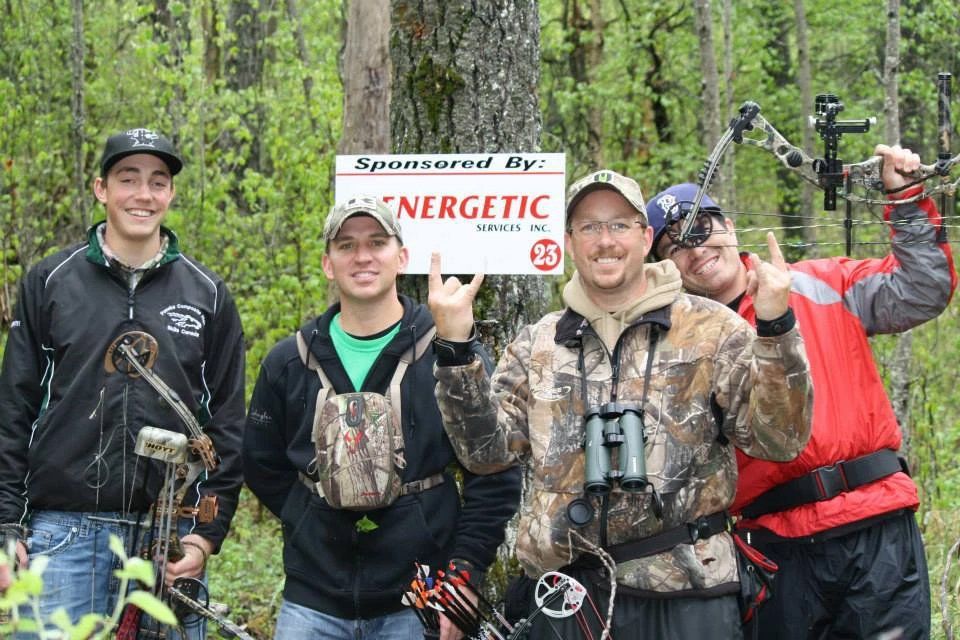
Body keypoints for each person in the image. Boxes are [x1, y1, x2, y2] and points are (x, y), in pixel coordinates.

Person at [426, 169, 813, 640]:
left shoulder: (711, 329)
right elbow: (486, 454)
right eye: (589, 226)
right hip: (567, 599)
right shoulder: (538, 343)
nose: (605, 240)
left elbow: (781, 440)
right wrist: (455, 351)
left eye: (619, 225)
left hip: (689, 595)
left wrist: (776, 329)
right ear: (569, 243)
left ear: (646, 238)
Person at [647, 143, 957, 639]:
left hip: (876, 525)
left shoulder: (820, 282)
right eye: (674, 246)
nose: (695, 249)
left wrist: (904, 198)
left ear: (729, 226)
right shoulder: (679, 345)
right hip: (776, 550)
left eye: (701, 228)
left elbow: (922, 290)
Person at [0, 128, 246, 638]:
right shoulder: (50, 282)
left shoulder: (207, 294)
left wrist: (203, 537)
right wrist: (6, 524)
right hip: (62, 535)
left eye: (157, 182)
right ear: (101, 189)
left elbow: (227, 424)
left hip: (167, 538)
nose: (143, 194)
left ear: (171, 194)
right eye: (128, 179)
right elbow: (14, 410)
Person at [242, 195, 521, 640]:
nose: (363, 256)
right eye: (346, 245)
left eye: (377, 242)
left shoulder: (448, 356)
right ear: (328, 264)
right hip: (312, 601)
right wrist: (307, 515)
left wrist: (464, 574)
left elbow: (494, 472)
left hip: (422, 597)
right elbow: (260, 463)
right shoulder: (289, 361)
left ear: (402, 257)